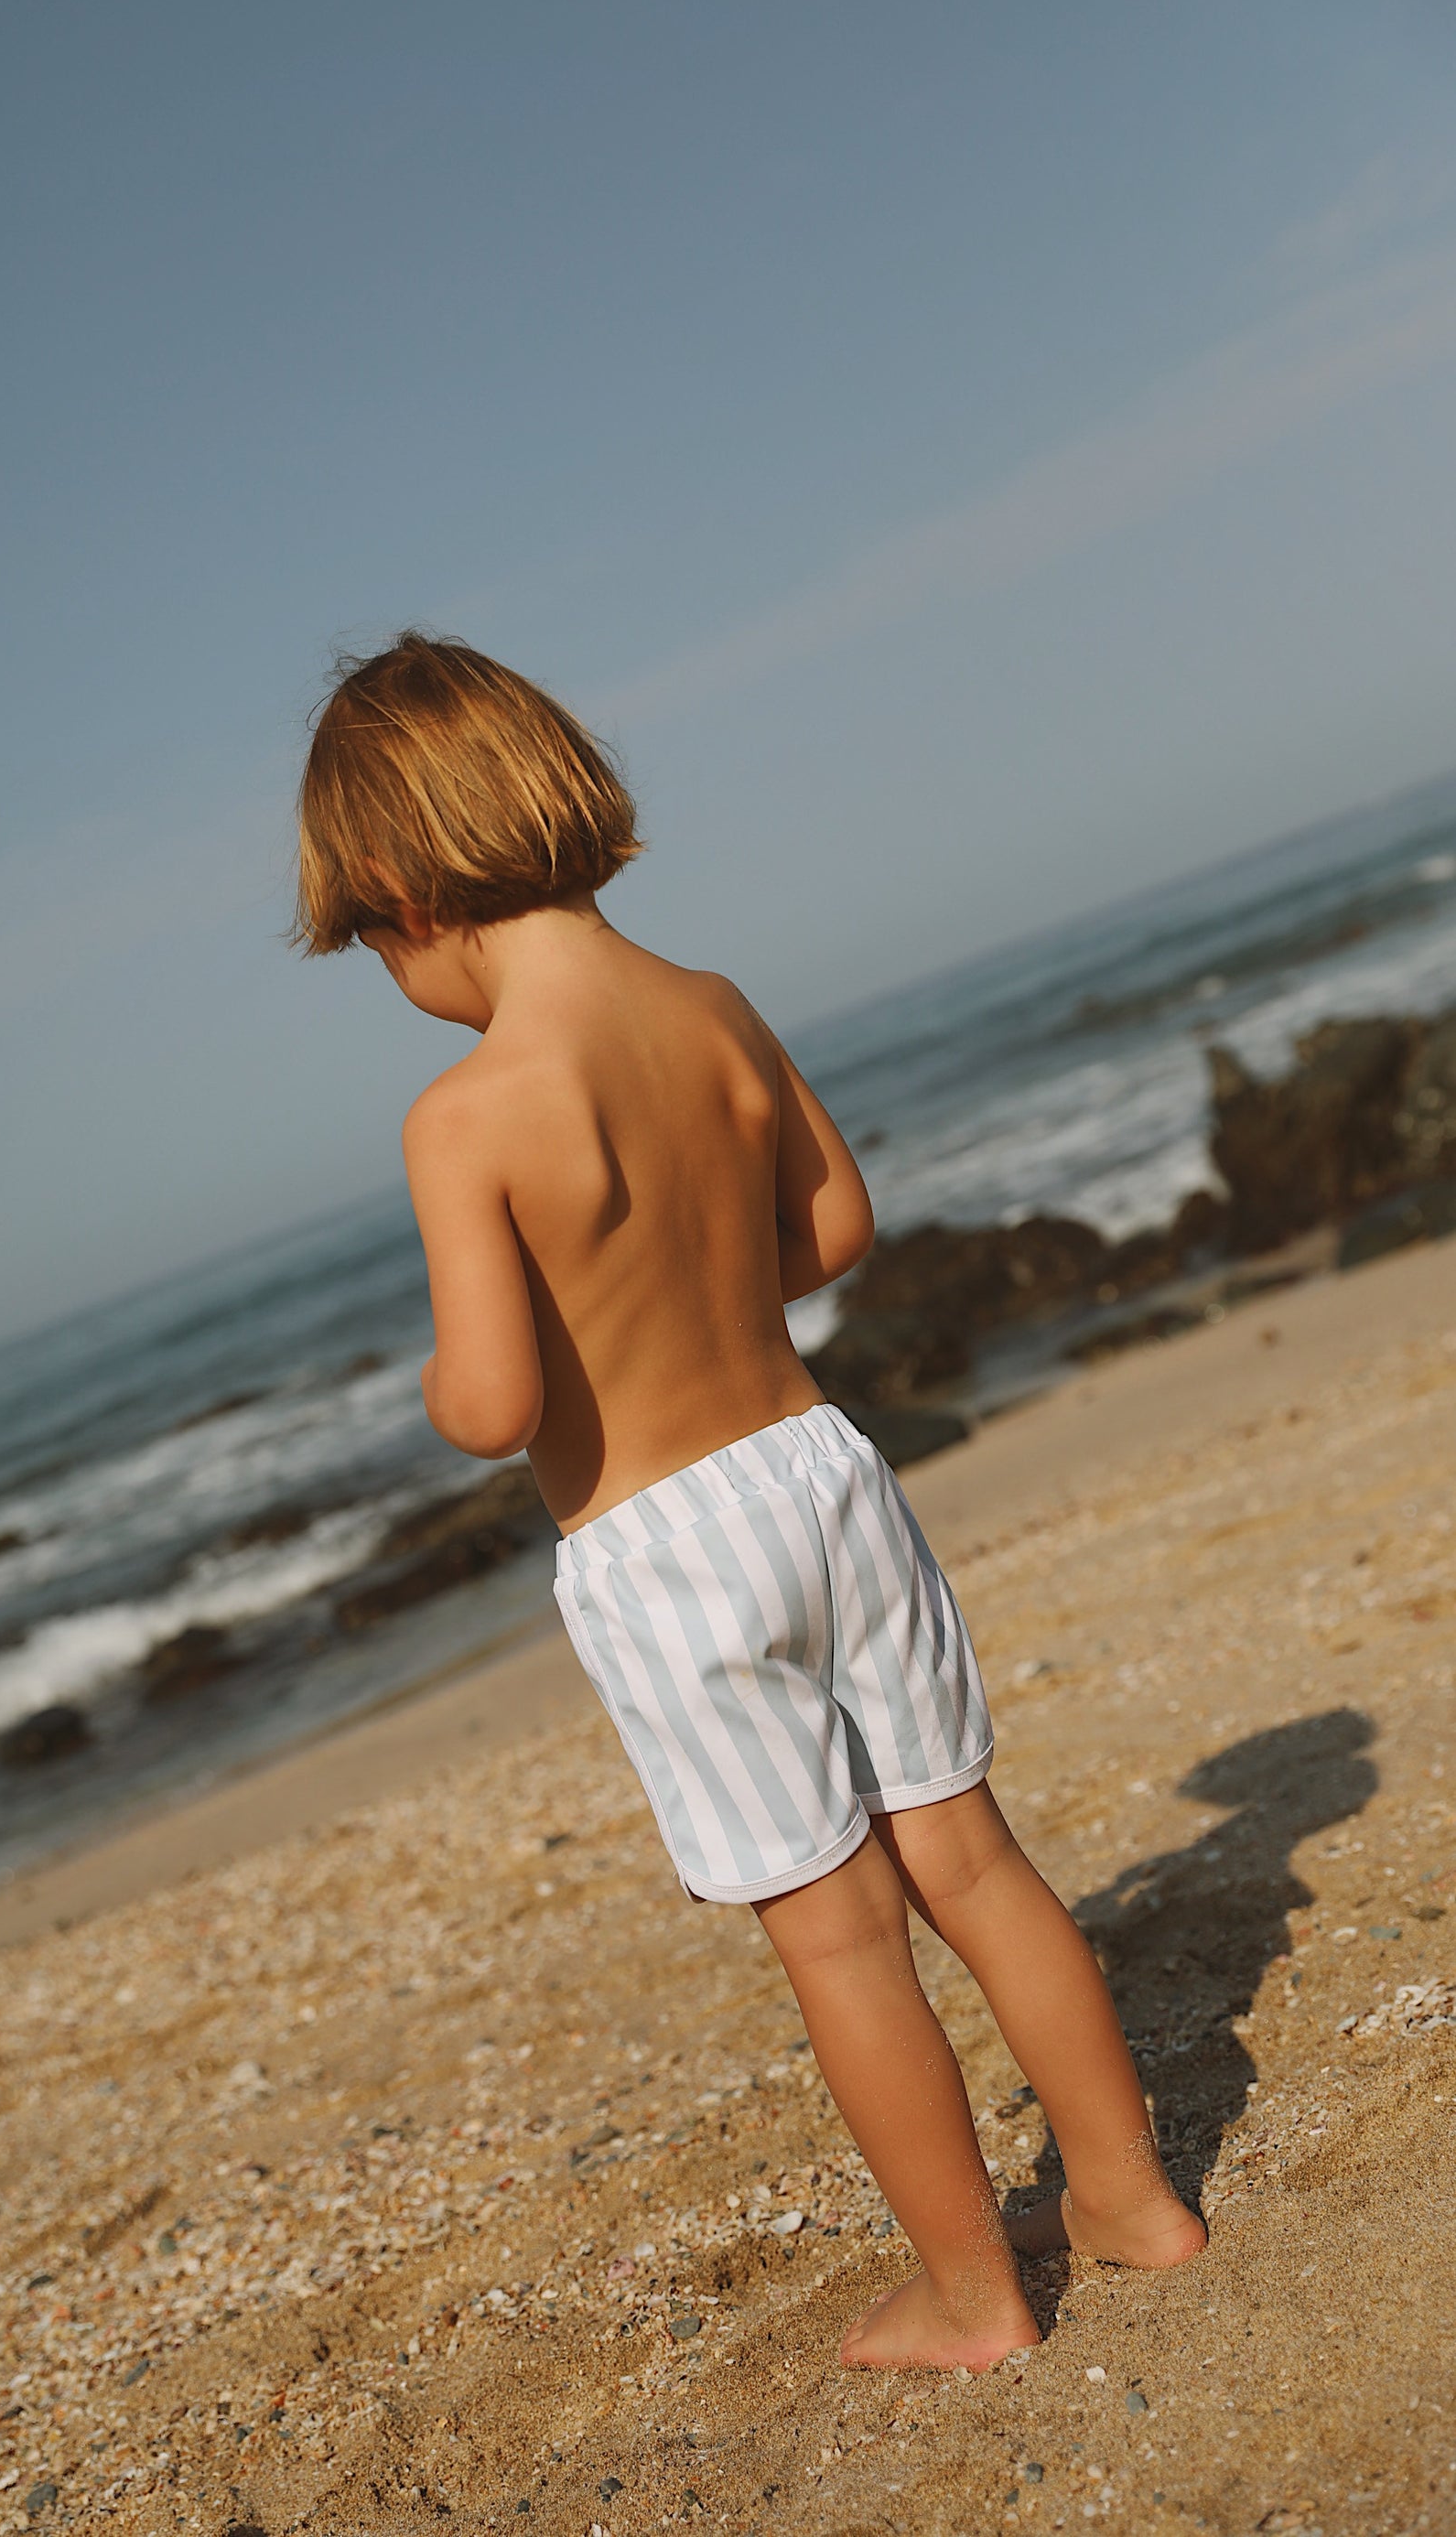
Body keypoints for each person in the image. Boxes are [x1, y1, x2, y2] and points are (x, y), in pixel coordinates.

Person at [295, 632, 1204, 2369]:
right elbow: (834, 1226)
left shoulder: (466, 1115)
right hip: (819, 1472)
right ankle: (1128, 2198)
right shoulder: (711, 1006)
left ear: (405, 895)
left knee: (840, 1935)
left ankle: (972, 2297)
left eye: (370, 945)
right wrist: (709, 1283)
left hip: (665, 1551)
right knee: (970, 1853)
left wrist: (444, 1387)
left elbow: (493, 1405)